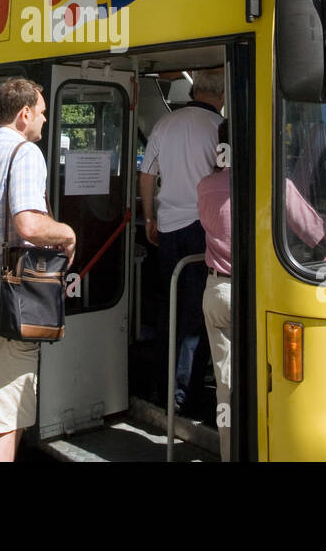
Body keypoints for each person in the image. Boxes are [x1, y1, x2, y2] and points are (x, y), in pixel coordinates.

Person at [0, 78, 76, 462]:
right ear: (24, 114)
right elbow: (28, 224)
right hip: (6, 308)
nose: (43, 121)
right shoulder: (26, 153)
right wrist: (67, 233)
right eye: (41, 113)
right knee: (4, 421)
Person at [197, 122, 326, 460]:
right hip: (255, 298)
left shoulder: (205, 186)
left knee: (226, 387)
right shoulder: (274, 185)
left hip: (216, 290)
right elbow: (316, 234)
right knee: (267, 384)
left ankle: (230, 454)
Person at [139, 67, 224, 413]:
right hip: (204, 228)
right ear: (220, 96)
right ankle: (183, 395)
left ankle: (161, 386)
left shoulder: (164, 124)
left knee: (169, 307)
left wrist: (149, 217)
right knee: (196, 316)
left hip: (169, 228)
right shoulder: (219, 128)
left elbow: (147, 176)